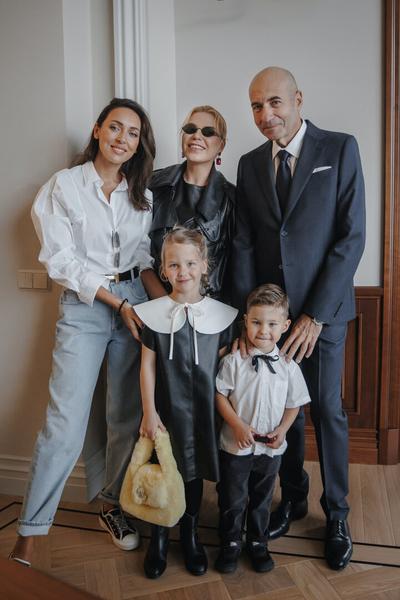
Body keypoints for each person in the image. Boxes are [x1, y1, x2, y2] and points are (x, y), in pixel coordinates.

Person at [10, 97, 164, 567]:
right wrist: (116, 303)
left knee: (124, 417)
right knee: (64, 423)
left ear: (139, 145)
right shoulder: (63, 186)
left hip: (135, 303)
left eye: (133, 133)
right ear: (97, 130)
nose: (122, 139)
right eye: (115, 127)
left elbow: (143, 261)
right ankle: (29, 536)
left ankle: (112, 506)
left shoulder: (142, 195)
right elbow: (61, 261)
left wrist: (165, 310)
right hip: (86, 307)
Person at [232, 67, 366, 571]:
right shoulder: (249, 164)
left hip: (324, 315)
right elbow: (246, 244)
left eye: (275, 102)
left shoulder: (340, 148)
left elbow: (351, 237)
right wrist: (250, 322)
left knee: (326, 410)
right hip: (271, 322)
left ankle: (337, 515)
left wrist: (314, 315)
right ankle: (292, 498)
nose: (266, 114)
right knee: (279, 409)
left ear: (298, 99)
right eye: (256, 106)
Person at [135, 227, 237, 579]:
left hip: (205, 414)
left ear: (204, 265)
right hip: (165, 412)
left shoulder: (222, 317)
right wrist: (149, 412)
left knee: (194, 471)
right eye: (174, 265)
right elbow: (147, 367)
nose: (183, 272)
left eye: (191, 263)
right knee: (164, 469)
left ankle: (190, 533)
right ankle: (160, 535)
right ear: (163, 270)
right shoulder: (153, 315)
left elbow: (226, 369)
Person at [215, 284, 311, 574]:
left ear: (285, 326)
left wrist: (283, 429)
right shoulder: (234, 361)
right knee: (233, 497)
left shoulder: (288, 367)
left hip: (270, 449)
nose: (264, 331)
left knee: (262, 497)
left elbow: (294, 404)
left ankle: (258, 542)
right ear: (245, 321)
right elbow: (219, 396)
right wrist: (237, 425)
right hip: (236, 445)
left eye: (271, 324)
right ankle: (230, 542)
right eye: (256, 322)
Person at [149, 105, 235, 301]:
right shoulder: (153, 185)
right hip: (154, 304)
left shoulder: (232, 199)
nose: (197, 136)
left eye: (208, 132)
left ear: (221, 146)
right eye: (190, 129)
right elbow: (138, 253)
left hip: (209, 309)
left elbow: (237, 268)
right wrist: (162, 303)